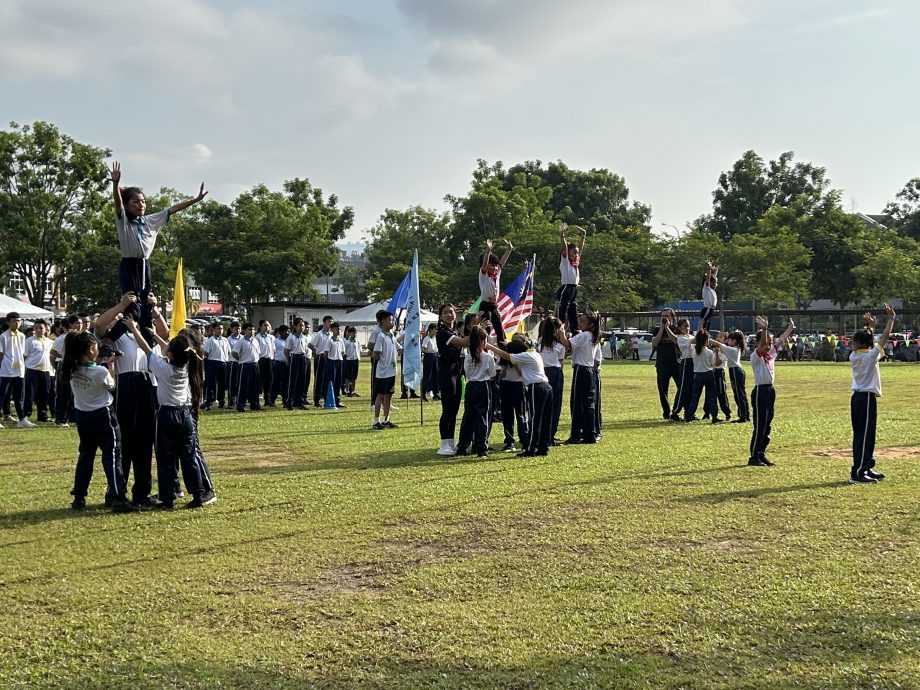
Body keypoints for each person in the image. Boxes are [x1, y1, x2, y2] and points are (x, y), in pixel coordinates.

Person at [105, 161, 207, 343]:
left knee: (146, 310)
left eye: (143, 201)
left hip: (145, 265)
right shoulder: (124, 221)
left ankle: (150, 347)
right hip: (130, 265)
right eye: (135, 202)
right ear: (128, 205)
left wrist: (195, 200)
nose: (141, 205)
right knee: (132, 310)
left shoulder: (150, 220)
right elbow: (118, 204)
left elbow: (173, 209)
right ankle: (107, 342)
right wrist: (115, 184)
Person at [123, 317, 215, 509]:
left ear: (171, 354)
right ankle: (198, 493)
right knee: (188, 456)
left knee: (165, 457)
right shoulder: (188, 363)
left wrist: (134, 329)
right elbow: (171, 349)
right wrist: (156, 335)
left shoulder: (162, 368)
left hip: (167, 415)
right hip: (185, 415)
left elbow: (145, 349)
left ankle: (168, 498)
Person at [60, 331, 138, 512]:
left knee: (86, 456)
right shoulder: (100, 371)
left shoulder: (70, 368)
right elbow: (111, 386)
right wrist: (110, 365)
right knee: (111, 456)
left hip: (82, 415)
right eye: (95, 346)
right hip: (103, 416)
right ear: (90, 349)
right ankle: (118, 496)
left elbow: (89, 371)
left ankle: (79, 496)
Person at [94, 294, 159, 507]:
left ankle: (142, 492)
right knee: (124, 442)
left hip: (146, 384)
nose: (123, 316)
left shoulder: (142, 333)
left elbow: (165, 333)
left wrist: (154, 308)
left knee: (144, 441)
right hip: (126, 385)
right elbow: (100, 324)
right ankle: (116, 492)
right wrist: (120, 305)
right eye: (120, 315)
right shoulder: (116, 336)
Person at [848, 305, 896, 484]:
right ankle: (858, 472)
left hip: (858, 399)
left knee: (866, 435)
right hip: (866, 398)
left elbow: (870, 343)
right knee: (864, 435)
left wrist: (871, 327)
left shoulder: (855, 356)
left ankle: (866, 466)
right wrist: (891, 319)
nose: (853, 344)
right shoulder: (870, 356)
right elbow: (883, 339)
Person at [488, 336, 553, 457]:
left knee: (534, 419)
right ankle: (543, 447)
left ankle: (531, 448)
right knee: (545, 419)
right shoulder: (534, 353)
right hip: (547, 387)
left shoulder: (525, 356)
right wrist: (509, 344)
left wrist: (489, 346)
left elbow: (507, 356)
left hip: (536, 387)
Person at [748, 316, 795, 467]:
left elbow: (780, 340)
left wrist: (790, 328)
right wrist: (765, 329)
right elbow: (762, 345)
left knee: (767, 425)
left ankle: (761, 453)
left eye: (770, 342)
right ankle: (754, 456)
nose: (769, 345)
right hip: (760, 391)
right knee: (760, 425)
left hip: (770, 391)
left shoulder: (771, 355)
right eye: (766, 342)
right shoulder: (756, 356)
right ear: (758, 343)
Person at [555, 313, 600, 444]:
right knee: (589, 403)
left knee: (577, 403)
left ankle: (575, 434)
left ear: (590, 324)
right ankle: (590, 433)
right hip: (589, 370)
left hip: (581, 369)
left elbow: (567, 343)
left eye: (583, 322)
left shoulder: (583, 335)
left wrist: (562, 333)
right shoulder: (593, 336)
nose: (580, 324)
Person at [435, 305, 470, 456]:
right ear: (440, 316)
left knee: (454, 410)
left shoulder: (454, 331)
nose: (449, 315)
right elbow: (463, 343)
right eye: (445, 313)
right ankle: (443, 444)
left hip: (456, 373)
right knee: (447, 410)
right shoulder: (442, 333)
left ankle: (450, 442)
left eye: (451, 312)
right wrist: (478, 329)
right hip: (446, 374)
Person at [456, 326, 496, 458]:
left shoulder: (467, 357)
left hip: (471, 385)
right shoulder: (487, 357)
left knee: (468, 416)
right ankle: (481, 447)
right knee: (482, 417)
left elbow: (467, 373)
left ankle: (462, 445)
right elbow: (492, 374)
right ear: (483, 341)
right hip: (483, 386)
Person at [0, 312, 34, 429]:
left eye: (19, 321)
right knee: (2, 395)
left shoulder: (22, 336)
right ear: (8, 322)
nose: (17, 323)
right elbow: (1, 353)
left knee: (19, 396)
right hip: (6, 370)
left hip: (19, 370)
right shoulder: (3, 336)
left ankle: (22, 419)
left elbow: (23, 353)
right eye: (14, 321)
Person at [478, 239, 513, 345]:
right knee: (486, 330)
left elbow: (502, 261)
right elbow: (484, 264)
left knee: (500, 332)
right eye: (491, 265)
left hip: (494, 306)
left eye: (495, 265)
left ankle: (504, 357)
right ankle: (480, 350)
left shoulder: (497, 274)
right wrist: (488, 251)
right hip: (485, 306)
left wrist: (509, 249)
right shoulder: (483, 275)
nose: (494, 268)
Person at [537, 317, 566, 445]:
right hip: (555, 373)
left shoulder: (540, 342)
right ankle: (550, 434)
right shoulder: (560, 346)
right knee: (555, 405)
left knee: (542, 405)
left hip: (542, 373)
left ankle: (540, 433)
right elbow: (561, 362)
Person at [497, 339, 528, 452]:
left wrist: (514, 361)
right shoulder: (505, 358)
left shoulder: (522, 358)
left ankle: (525, 441)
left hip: (518, 385)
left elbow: (521, 373)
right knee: (507, 415)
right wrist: (505, 365)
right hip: (506, 385)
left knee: (521, 415)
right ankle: (509, 441)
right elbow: (503, 373)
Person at [684, 330, 722, 424]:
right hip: (708, 374)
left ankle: (689, 415)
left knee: (695, 397)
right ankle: (714, 416)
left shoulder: (693, 350)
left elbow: (689, 343)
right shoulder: (709, 352)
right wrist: (717, 354)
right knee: (712, 397)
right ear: (706, 340)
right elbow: (713, 364)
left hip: (697, 375)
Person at [51, 314, 82, 428]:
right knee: (64, 393)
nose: (79, 326)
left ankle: (72, 417)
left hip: (77, 366)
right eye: (76, 323)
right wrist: (57, 367)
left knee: (75, 394)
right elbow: (53, 354)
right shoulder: (64, 338)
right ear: (70, 325)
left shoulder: (81, 336)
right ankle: (60, 419)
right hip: (65, 366)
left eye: (81, 323)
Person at [372, 310, 401, 430]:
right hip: (383, 372)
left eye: (392, 319)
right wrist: (384, 362)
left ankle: (386, 419)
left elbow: (399, 348)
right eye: (390, 320)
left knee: (389, 395)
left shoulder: (391, 336)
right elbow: (375, 354)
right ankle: (376, 421)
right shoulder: (381, 336)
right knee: (380, 395)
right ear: (383, 322)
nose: (392, 322)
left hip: (391, 371)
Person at [556, 222, 586, 334]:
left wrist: (583, 236)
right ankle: (559, 327)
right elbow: (564, 246)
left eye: (576, 254)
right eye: (573, 253)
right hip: (566, 287)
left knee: (573, 310)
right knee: (563, 308)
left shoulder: (575, 263)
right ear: (567, 253)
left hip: (574, 289)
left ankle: (575, 330)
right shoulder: (565, 261)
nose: (575, 255)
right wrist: (562, 235)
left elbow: (580, 249)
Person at [652, 309, 681, 420]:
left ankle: (676, 410)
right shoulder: (656, 329)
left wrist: (668, 328)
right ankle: (666, 412)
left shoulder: (677, 329)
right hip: (662, 364)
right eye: (663, 316)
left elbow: (676, 341)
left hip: (676, 362)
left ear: (672, 317)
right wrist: (662, 329)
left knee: (681, 387)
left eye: (667, 316)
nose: (665, 318)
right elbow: (654, 343)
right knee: (663, 390)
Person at [23, 319, 53, 423]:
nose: (39, 330)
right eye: (36, 328)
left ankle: (43, 415)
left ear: (45, 329)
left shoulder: (50, 342)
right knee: (30, 394)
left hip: (45, 371)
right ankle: (25, 415)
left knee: (44, 394)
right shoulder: (30, 341)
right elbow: (24, 356)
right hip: (32, 370)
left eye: (41, 328)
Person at [719, 331, 749, 423]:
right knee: (741, 393)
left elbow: (718, 344)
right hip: (737, 371)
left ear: (734, 341)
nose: (728, 341)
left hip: (735, 371)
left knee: (738, 394)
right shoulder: (736, 348)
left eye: (729, 340)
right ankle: (745, 414)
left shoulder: (732, 349)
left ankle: (742, 416)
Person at [669, 318, 695, 422]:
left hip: (694, 362)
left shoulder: (691, 336)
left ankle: (689, 412)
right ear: (679, 328)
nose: (687, 328)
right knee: (683, 388)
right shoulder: (680, 338)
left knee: (691, 389)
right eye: (684, 326)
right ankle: (675, 411)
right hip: (686, 362)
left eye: (688, 326)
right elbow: (693, 341)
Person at [232, 323, 262, 412]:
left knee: (255, 386)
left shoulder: (255, 340)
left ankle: (254, 403)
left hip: (255, 364)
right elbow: (234, 353)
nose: (252, 331)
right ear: (244, 330)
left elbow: (258, 353)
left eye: (253, 329)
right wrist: (241, 360)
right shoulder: (241, 341)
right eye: (249, 329)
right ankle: (240, 404)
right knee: (243, 386)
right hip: (245, 365)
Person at [202, 322, 231, 410]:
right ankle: (209, 402)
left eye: (221, 329)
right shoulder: (210, 340)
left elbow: (229, 351)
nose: (220, 330)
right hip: (213, 362)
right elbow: (206, 352)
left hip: (223, 363)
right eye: (218, 329)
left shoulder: (225, 340)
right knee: (212, 383)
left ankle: (221, 401)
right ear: (214, 330)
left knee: (222, 383)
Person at [284, 319, 310, 410]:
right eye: (300, 325)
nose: (302, 327)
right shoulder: (291, 337)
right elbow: (286, 351)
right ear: (295, 326)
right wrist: (289, 360)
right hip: (294, 357)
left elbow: (306, 350)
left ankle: (299, 401)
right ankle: (289, 401)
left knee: (301, 381)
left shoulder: (304, 337)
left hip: (302, 357)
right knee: (292, 380)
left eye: (303, 326)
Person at [319, 322, 346, 408]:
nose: (338, 331)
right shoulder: (330, 340)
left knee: (338, 381)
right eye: (337, 329)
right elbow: (325, 353)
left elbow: (343, 352)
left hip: (339, 361)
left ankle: (337, 400)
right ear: (332, 330)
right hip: (332, 361)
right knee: (330, 381)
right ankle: (328, 400)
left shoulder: (341, 340)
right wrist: (329, 362)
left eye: (339, 329)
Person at [310, 315, 333, 408]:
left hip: (329, 357)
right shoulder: (319, 334)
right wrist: (315, 352)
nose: (330, 324)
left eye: (331, 322)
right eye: (329, 322)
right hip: (320, 357)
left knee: (327, 378)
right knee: (319, 378)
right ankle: (316, 399)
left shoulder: (331, 335)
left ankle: (325, 396)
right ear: (324, 323)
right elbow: (310, 344)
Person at [269, 324, 290, 406]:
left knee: (286, 382)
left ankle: (285, 400)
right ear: (281, 332)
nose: (288, 333)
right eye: (286, 331)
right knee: (275, 382)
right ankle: (272, 399)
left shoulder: (289, 340)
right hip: (278, 363)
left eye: (289, 331)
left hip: (286, 364)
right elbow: (272, 352)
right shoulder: (276, 341)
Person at [256, 320, 274, 407]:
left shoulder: (271, 337)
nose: (266, 327)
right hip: (261, 360)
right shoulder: (257, 337)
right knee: (260, 380)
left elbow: (273, 349)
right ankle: (257, 399)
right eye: (265, 325)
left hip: (269, 360)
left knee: (269, 380)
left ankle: (268, 400)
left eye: (268, 325)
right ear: (260, 327)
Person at [421, 324, 440, 400]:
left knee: (436, 375)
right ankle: (423, 394)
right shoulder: (427, 338)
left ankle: (436, 393)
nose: (436, 331)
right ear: (431, 329)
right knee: (427, 376)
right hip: (429, 356)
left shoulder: (435, 338)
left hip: (435, 355)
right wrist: (428, 352)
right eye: (435, 329)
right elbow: (423, 348)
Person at [700, 262, 718, 331]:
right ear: (710, 282)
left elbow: (714, 276)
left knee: (707, 325)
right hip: (708, 308)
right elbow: (708, 278)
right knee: (703, 324)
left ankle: (705, 335)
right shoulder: (706, 287)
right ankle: (701, 334)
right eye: (715, 283)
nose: (716, 284)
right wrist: (709, 269)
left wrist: (716, 269)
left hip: (710, 309)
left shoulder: (711, 289)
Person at [342, 326, 360, 398]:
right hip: (349, 360)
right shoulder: (347, 342)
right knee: (348, 377)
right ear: (350, 334)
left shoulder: (357, 342)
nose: (354, 335)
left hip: (355, 360)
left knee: (354, 377)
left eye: (355, 333)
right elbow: (344, 351)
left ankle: (353, 391)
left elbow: (359, 350)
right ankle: (347, 391)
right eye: (353, 333)